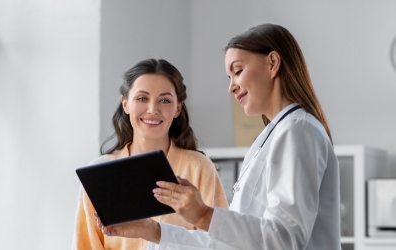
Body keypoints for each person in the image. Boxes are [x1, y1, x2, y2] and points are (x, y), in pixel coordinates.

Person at [96, 23, 341, 250]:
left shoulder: (297, 130)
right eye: (229, 77)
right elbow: (228, 244)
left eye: (238, 71)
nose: (231, 86)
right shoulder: (272, 135)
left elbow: (286, 239)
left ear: (273, 63)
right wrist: (153, 231)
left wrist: (203, 215)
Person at [71, 58, 229, 250]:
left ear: (178, 108)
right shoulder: (98, 175)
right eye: (142, 98)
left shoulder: (199, 168)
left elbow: (221, 242)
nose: (153, 110)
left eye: (164, 100)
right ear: (125, 104)